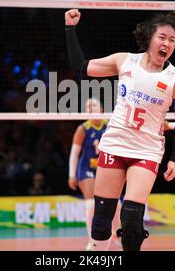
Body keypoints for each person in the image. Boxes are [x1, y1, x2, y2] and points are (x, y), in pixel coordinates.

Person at [65, 8, 175, 251]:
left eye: (172, 40)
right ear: (149, 38)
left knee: (132, 218)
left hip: (147, 151)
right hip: (114, 144)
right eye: (162, 37)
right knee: (102, 219)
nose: (167, 43)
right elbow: (81, 67)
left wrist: (174, 158)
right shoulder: (124, 61)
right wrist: (70, 29)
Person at [68, 98, 120, 250]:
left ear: (102, 109)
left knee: (117, 205)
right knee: (91, 204)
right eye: (87, 106)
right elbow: (74, 153)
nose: (90, 107)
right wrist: (72, 175)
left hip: (105, 168)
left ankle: (114, 235)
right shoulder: (83, 128)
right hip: (86, 169)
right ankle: (92, 240)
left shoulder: (110, 124)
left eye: (94, 105)